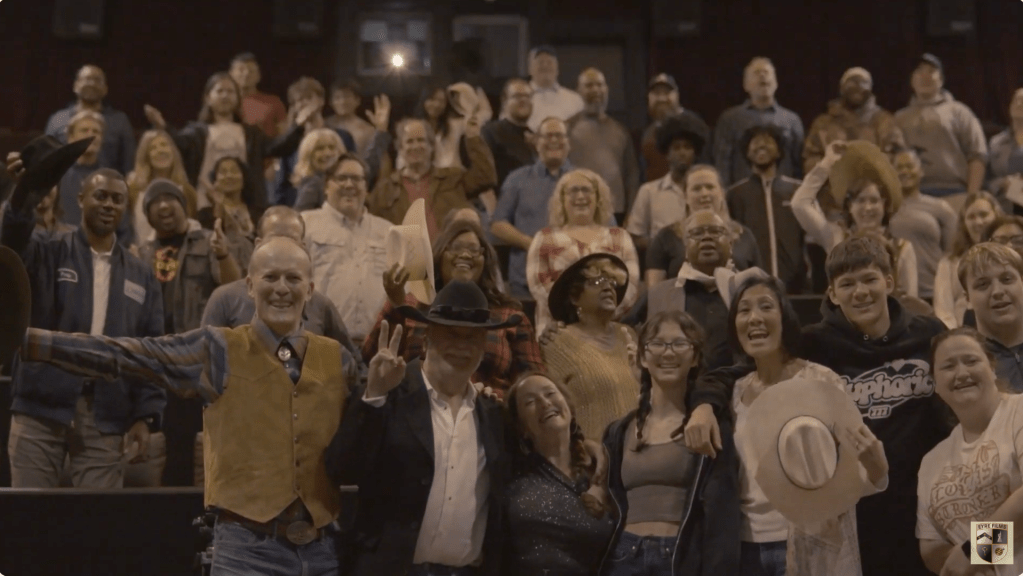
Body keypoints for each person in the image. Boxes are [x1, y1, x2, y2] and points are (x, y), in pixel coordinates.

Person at [20, 235, 351, 574]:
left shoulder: (337, 359)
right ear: (250, 286)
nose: (281, 288)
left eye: (293, 278)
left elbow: (372, 426)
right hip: (245, 555)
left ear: (310, 290)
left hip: (322, 553)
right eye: (270, 277)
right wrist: (27, 340)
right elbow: (126, 354)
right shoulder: (218, 349)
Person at [685, 235, 950, 576]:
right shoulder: (817, 345)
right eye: (848, 283)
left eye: (869, 279)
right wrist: (705, 402)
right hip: (860, 513)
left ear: (889, 281)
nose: (860, 292)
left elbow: (1000, 513)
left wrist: (984, 558)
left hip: (930, 505)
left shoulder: (934, 337)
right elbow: (752, 368)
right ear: (832, 293)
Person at [325, 280, 516, 576]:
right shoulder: (387, 394)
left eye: (473, 338)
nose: (462, 346)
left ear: (483, 349)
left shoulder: (493, 416)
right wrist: (373, 396)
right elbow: (342, 470)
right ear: (426, 340)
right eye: (451, 334)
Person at [3, 146, 164, 489]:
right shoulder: (47, 250)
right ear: (80, 199)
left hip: (106, 414)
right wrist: (23, 194)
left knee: (99, 519)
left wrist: (146, 415)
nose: (109, 205)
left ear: (125, 207)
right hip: (39, 408)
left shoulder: (142, 275)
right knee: (27, 516)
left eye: (117, 199)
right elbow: (12, 241)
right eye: (100, 196)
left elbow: (151, 350)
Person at [729, 276, 888, 576]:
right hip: (745, 546)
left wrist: (975, 556)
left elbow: (855, 470)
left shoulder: (821, 382)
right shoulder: (733, 392)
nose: (755, 318)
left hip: (812, 544)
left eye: (766, 306)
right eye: (744, 309)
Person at [602, 310, 741, 576]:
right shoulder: (619, 431)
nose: (668, 353)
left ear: (695, 357)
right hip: (624, 557)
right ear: (643, 357)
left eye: (679, 343)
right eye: (657, 343)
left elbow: (722, 514)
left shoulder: (709, 424)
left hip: (680, 557)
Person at [365, 218, 543, 395]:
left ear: (485, 260)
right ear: (439, 255)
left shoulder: (509, 316)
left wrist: (496, 399)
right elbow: (370, 359)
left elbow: (535, 383)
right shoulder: (411, 305)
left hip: (490, 407)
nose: (465, 255)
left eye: (474, 250)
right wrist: (396, 305)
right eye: (456, 248)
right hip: (417, 405)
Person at [201, 205, 360, 372]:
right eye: (275, 238)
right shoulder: (225, 299)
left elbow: (353, 369)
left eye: (291, 239)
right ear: (258, 244)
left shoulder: (321, 305)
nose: (282, 245)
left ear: (303, 247)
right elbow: (204, 366)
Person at [917, 327, 1023, 576]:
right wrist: (974, 564)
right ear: (935, 384)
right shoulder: (931, 461)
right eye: (948, 366)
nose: (962, 373)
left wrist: (975, 552)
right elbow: (931, 547)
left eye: (971, 361)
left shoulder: (1018, 411)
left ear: (992, 367)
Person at [143, 71, 312, 211]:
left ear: (238, 98)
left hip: (246, 205)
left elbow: (277, 147)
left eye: (230, 92)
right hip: (205, 205)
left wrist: (298, 125)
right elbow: (178, 144)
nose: (225, 96)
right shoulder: (197, 133)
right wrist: (162, 125)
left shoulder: (251, 133)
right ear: (208, 98)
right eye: (220, 91)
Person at [503, 373, 616, 576]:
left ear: (569, 408)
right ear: (522, 428)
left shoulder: (603, 472)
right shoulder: (511, 474)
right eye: (530, 402)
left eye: (550, 393)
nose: (544, 403)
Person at [632, 209, 767, 370]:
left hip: (742, 381)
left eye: (715, 231)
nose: (706, 237)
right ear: (686, 249)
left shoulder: (751, 290)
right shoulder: (658, 294)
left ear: (731, 245)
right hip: (678, 383)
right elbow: (621, 330)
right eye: (697, 233)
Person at [792, 140, 919, 297]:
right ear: (849, 207)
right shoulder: (836, 238)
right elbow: (799, 203)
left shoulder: (902, 248)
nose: (868, 207)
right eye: (860, 200)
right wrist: (827, 163)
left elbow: (911, 300)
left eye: (874, 200)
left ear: (884, 205)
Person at [526, 169, 640, 336]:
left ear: (598, 198)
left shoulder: (620, 237)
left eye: (586, 190)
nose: (580, 196)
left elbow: (631, 287)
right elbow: (538, 287)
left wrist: (599, 315)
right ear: (561, 199)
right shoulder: (544, 238)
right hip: (556, 331)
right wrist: (574, 315)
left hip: (608, 330)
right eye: (573, 191)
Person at [540, 254, 638, 440]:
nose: (608, 287)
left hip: (640, 448)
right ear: (574, 298)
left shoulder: (629, 335)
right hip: (591, 450)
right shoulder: (556, 342)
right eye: (597, 282)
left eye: (612, 282)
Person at [304, 153, 391, 344]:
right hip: (319, 341)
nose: (349, 185)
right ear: (326, 185)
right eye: (342, 178)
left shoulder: (388, 231)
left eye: (357, 179)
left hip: (375, 344)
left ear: (366, 187)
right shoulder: (305, 225)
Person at [368, 116, 497, 240]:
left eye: (421, 140)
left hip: (448, 252)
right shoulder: (385, 189)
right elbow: (372, 228)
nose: (416, 146)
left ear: (431, 146)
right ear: (400, 148)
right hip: (404, 254)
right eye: (409, 141)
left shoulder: (453, 177)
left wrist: (473, 137)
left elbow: (485, 177)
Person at [491, 117, 575, 299]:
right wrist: (532, 244)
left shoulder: (583, 181)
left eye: (560, 135)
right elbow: (498, 224)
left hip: (572, 281)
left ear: (569, 143)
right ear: (536, 142)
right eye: (548, 136)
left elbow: (603, 225)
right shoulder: (517, 179)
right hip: (525, 281)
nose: (554, 140)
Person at [894, 53, 987, 212]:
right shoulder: (899, 118)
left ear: (941, 80)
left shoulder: (959, 112)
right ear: (912, 80)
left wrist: (971, 197)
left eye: (931, 71)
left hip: (955, 194)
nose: (925, 76)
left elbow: (977, 155)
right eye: (919, 71)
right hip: (914, 197)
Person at [646, 164, 762, 287]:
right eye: (696, 189)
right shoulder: (665, 237)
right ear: (685, 196)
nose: (704, 194)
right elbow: (654, 291)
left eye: (710, 187)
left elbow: (759, 286)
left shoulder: (744, 235)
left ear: (722, 193)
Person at [727, 125, 806, 292]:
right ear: (747, 152)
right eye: (755, 142)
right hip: (752, 286)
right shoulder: (734, 194)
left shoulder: (797, 190)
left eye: (768, 141)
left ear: (779, 151)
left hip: (795, 286)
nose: (761, 146)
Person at [713, 57, 804, 187]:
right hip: (742, 193)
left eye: (766, 72)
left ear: (776, 83)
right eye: (756, 73)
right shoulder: (730, 119)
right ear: (745, 85)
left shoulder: (791, 119)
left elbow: (799, 162)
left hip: (784, 193)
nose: (762, 76)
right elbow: (722, 162)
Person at [566, 67, 641, 223]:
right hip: (578, 210)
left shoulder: (621, 131)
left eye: (600, 85)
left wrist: (631, 214)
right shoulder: (567, 129)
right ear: (578, 91)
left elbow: (632, 175)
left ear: (606, 89)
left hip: (615, 211)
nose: (595, 90)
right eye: (589, 85)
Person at [293, 95, 391, 212]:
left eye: (331, 147)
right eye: (319, 149)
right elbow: (301, 218)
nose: (327, 153)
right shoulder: (312, 184)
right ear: (308, 155)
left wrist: (381, 130)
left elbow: (370, 162)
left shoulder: (347, 178)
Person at [272, 77, 359, 207]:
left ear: (321, 101)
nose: (303, 103)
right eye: (298, 100)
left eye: (308, 98)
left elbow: (354, 171)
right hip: (298, 207)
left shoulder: (343, 136)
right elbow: (281, 185)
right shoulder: (289, 142)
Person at [626, 113, 707, 251]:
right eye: (676, 147)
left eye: (687, 147)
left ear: (695, 152)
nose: (682, 152)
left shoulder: (707, 191)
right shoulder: (649, 191)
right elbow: (635, 237)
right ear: (667, 153)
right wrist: (662, 247)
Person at [802, 67, 905, 174]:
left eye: (863, 82)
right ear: (841, 88)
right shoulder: (823, 123)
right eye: (852, 82)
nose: (858, 86)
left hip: (874, 182)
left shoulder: (886, 121)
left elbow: (899, 157)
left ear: (870, 88)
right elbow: (811, 157)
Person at [889, 148, 958, 299]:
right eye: (899, 167)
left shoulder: (941, 208)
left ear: (921, 171)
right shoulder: (883, 208)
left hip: (933, 291)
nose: (904, 171)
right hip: (895, 293)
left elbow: (952, 254)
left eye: (909, 166)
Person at [45, 64, 137, 175]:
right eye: (87, 79)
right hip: (65, 182)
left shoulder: (120, 121)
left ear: (105, 89)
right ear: (75, 85)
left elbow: (129, 165)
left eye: (97, 80)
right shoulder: (58, 119)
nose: (92, 84)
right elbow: (46, 160)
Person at [957, 242, 1023, 391]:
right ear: (967, 298)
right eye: (983, 285)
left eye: (1006, 279)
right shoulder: (964, 366)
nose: (997, 291)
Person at [934, 191, 1003, 328]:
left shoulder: (1010, 257)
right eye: (971, 217)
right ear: (963, 223)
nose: (978, 222)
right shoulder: (949, 263)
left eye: (983, 215)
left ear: (996, 216)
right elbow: (943, 311)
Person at [126, 129, 198, 246]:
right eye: (153, 148)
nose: (160, 151)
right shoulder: (133, 190)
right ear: (146, 155)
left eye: (164, 145)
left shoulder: (188, 191)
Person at [639, 73, 711, 181]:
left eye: (667, 93)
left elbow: (705, 166)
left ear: (677, 95)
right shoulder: (648, 133)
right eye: (656, 93)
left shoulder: (694, 124)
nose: (662, 98)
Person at [481, 78, 536, 187]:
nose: (523, 100)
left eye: (527, 96)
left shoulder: (535, 137)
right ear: (504, 101)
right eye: (517, 96)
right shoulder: (491, 132)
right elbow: (483, 174)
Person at [526, 45, 584, 132]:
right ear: (529, 69)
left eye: (550, 62)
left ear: (557, 68)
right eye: (540, 62)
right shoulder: (519, 99)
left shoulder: (575, 100)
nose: (545, 65)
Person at [229, 52, 287, 138]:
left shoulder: (274, 102)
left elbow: (285, 137)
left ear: (259, 76)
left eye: (251, 71)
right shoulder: (224, 103)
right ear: (231, 74)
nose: (246, 74)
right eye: (241, 70)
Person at [987, 87, 1023, 209]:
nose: (1019, 104)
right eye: (1016, 100)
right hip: (1003, 207)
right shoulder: (996, 142)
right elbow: (987, 179)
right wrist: (1002, 183)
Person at [326, 78, 377, 157]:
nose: (342, 102)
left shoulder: (368, 130)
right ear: (331, 102)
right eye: (337, 97)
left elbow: (380, 159)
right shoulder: (324, 125)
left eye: (347, 96)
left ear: (357, 100)